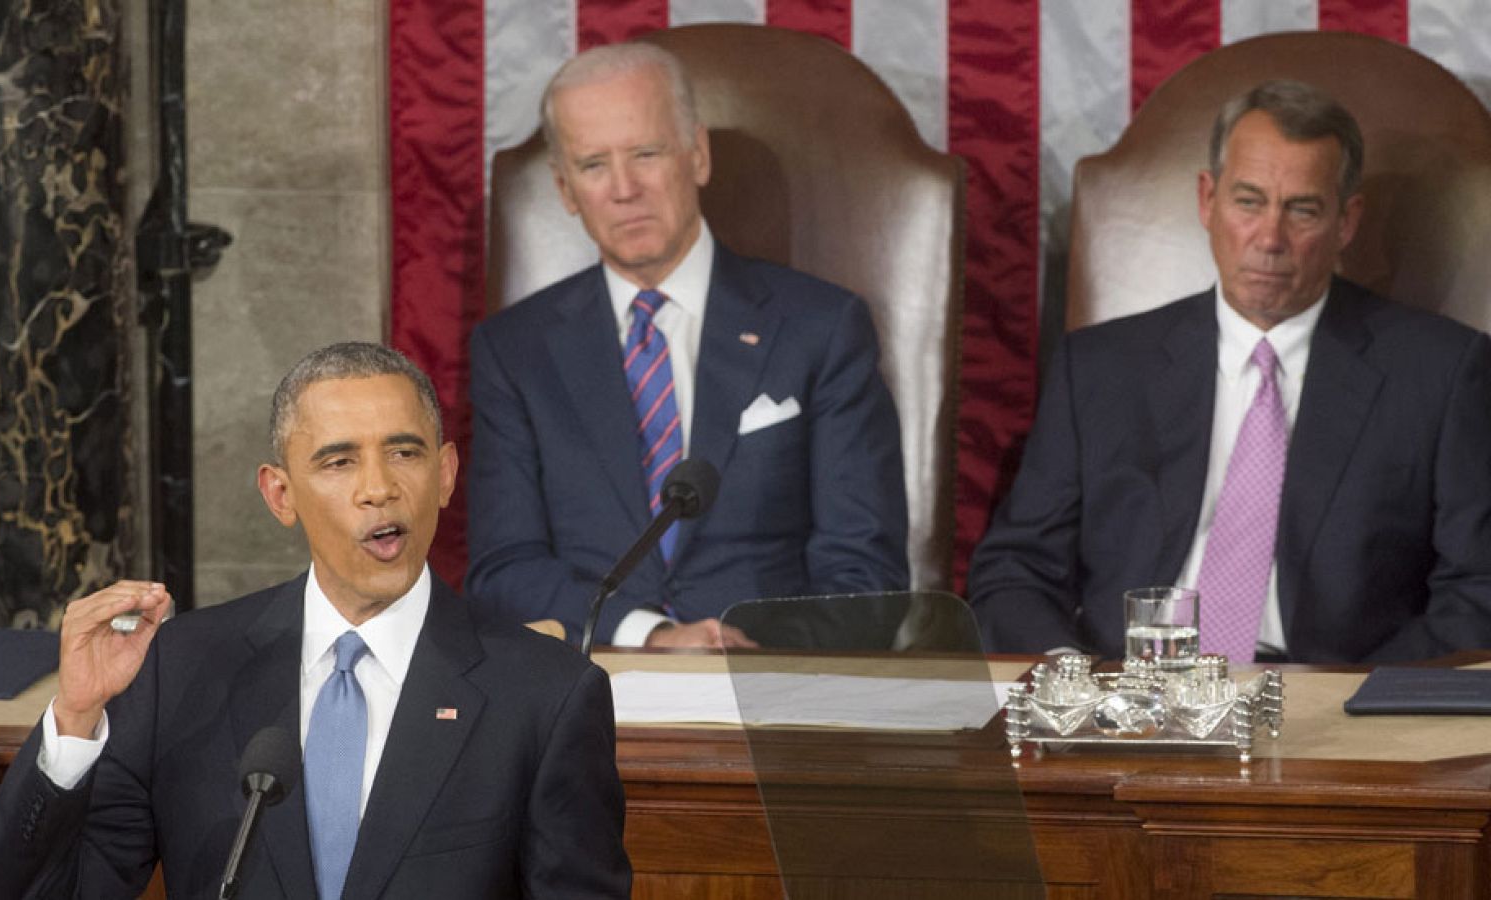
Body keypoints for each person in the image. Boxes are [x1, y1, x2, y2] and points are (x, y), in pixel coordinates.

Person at [0, 343, 630, 898]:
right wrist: (76, 718)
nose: (378, 487)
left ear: (446, 473)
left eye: (404, 453)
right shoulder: (181, 667)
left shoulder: (547, 696)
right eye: (339, 461)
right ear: (280, 494)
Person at [969, 79, 1491, 664]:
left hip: (1332, 709)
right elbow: (1014, 570)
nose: (1270, 239)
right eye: (1248, 201)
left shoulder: (1441, 372)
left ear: (1346, 222)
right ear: (1207, 200)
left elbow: (1478, 589)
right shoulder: (1099, 369)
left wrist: (1362, 699)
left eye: (1302, 209)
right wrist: (1081, 684)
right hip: (1129, 691)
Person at [467, 42, 909, 649]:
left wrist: (750, 652)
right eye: (594, 165)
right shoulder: (514, 351)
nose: (624, 189)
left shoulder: (821, 328)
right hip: (593, 687)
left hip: (770, 689)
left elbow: (866, 572)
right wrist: (647, 635)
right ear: (566, 190)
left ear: (697, 155)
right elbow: (504, 568)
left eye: (646, 154)